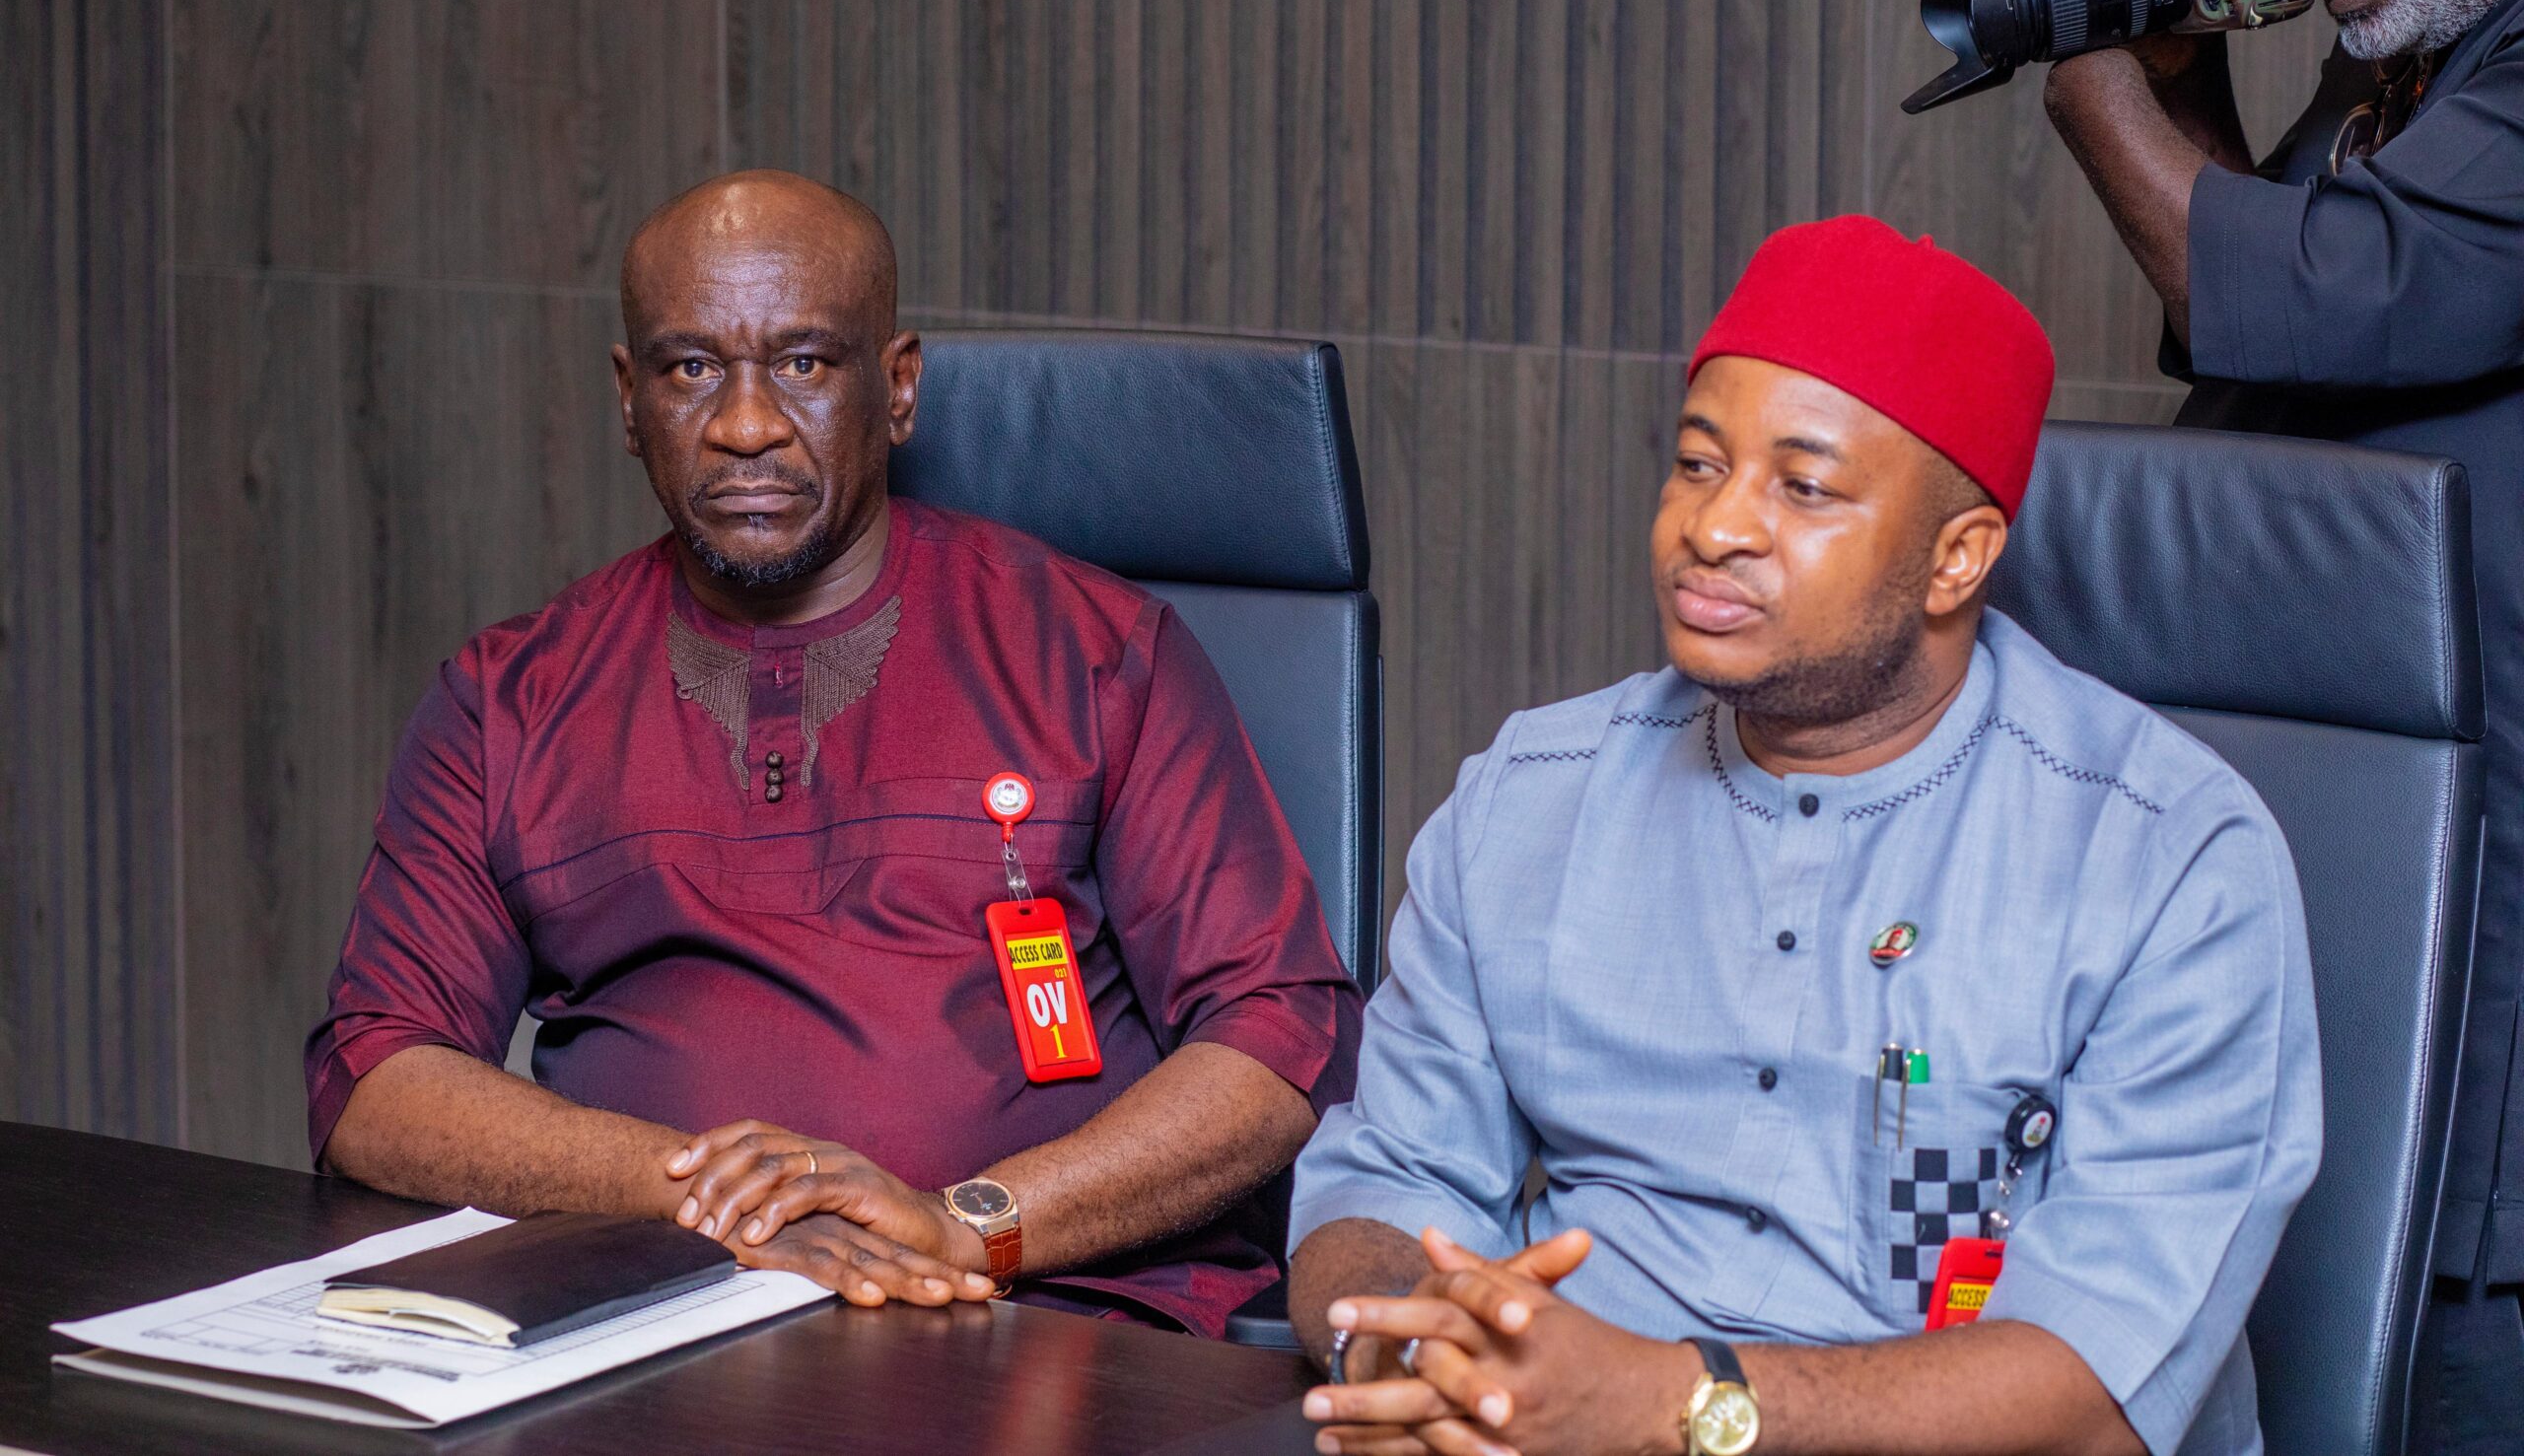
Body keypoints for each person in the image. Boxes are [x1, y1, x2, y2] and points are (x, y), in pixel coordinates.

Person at [1285, 217, 2319, 1456]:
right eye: (1696, 463)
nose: (1713, 527)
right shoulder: (1530, 795)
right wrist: (1410, 1364)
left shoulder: (2168, 858)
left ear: (1955, 559)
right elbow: (1388, 1177)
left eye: (1803, 487)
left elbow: (2095, 1389)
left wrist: (1667, 1406)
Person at [305, 170, 1361, 1335]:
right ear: (629, 399)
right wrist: (713, 1203)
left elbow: (1281, 1039)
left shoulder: (1097, 653)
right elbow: (375, 1079)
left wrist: (966, 1223)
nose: (745, 425)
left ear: (897, 387)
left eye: (803, 363)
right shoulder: (512, 696)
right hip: (655, 1322)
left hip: (1037, 1316)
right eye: (689, 368)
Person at [2041, 0, 2524, 1443]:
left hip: (2495, 1011)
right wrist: (2182, 84)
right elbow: (2298, 351)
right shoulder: (2417, 41)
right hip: (2344, 896)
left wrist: (2090, 70)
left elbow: (2322, 288)